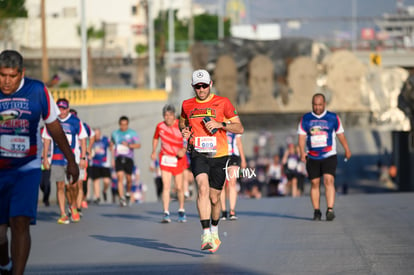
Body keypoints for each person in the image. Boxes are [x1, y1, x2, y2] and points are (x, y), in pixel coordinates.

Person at [0, 50, 79, 275]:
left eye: (12, 76)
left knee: (20, 222)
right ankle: (4, 261)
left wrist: (71, 159)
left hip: (27, 168)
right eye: (2, 75)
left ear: (21, 73)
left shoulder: (37, 90)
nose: (6, 81)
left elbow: (53, 125)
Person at [180, 69, 244, 253]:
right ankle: (206, 233)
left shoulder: (223, 103)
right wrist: (184, 132)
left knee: (215, 198)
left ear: (210, 85)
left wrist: (220, 124)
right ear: (193, 87)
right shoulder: (186, 104)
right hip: (198, 153)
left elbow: (240, 128)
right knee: (202, 188)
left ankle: (214, 229)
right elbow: (182, 122)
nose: (201, 89)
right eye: (197, 86)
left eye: (204, 86)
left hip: (220, 155)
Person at [298, 93, 351, 221]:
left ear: (324, 104)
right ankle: (317, 211)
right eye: (315, 105)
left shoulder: (333, 118)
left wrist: (347, 149)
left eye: (319, 105)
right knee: (314, 183)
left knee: (329, 180)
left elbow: (340, 135)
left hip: (329, 155)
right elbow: (301, 137)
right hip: (312, 156)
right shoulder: (306, 119)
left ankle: (330, 209)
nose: (317, 107)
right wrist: (301, 152)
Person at [43, 98, 87, 224]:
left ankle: (73, 206)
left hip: (72, 160)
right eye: (59, 109)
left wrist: (83, 157)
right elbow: (46, 140)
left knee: (72, 186)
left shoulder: (75, 121)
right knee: (60, 186)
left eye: (64, 108)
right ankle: (63, 213)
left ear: (68, 109)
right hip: (57, 159)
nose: (61, 111)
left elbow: (83, 139)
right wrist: (45, 157)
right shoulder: (51, 121)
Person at [151, 104, 188, 223]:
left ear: (174, 116)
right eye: (165, 115)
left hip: (178, 159)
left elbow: (188, 139)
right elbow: (156, 138)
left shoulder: (180, 125)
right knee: (166, 186)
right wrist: (153, 151)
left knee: (179, 187)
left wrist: (184, 149)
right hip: (165, 158)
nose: (167, 118)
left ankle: (181, 209)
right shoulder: (160, 126)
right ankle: (166, 212)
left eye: (170, 115)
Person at [111, 116, 141, 206]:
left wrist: (128, 145)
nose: (123, 126)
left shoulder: (132, 133)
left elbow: (138, 145)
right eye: (121, 124)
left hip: (129, 158)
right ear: (119, 124)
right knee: (120, 178)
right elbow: (112, 145)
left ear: (127, 124)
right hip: (118, 158)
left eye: (125, 124)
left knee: (128, 179)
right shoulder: (115, 134)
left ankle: (127, 192)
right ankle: (121, 198)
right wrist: (112, 158)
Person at [220, 132, 247, 220]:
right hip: (221, 156)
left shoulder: (234, 122)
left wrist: (243, 159)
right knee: (221, 185)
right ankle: (223, 211)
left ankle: (232, 210)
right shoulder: (218, 121)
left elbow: (239, 143)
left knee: (232, 182)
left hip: (234, 156)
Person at [89, 128, 112, 203]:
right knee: (96, 180)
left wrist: (112, 146)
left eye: (98, 134)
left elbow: (111, 146)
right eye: (95, 135)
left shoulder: (105, 139)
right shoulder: (91, 141)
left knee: (106, 181)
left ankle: (104, 190)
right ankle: (97, 197)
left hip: (105, 163)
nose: (97, 136)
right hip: (95, 163)